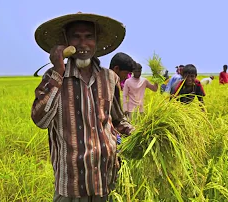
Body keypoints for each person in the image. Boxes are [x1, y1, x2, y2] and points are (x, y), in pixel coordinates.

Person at [31, 12, 135, 202]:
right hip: (71, 185)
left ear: (96, 41)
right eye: (76, 37)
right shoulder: (53, 78)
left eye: (88, 37)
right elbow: (41, 120)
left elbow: (118, 120)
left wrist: (137, 133)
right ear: (66, 42)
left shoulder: (109, 78)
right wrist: (58, 71)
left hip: (107, 179)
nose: (82, 44)